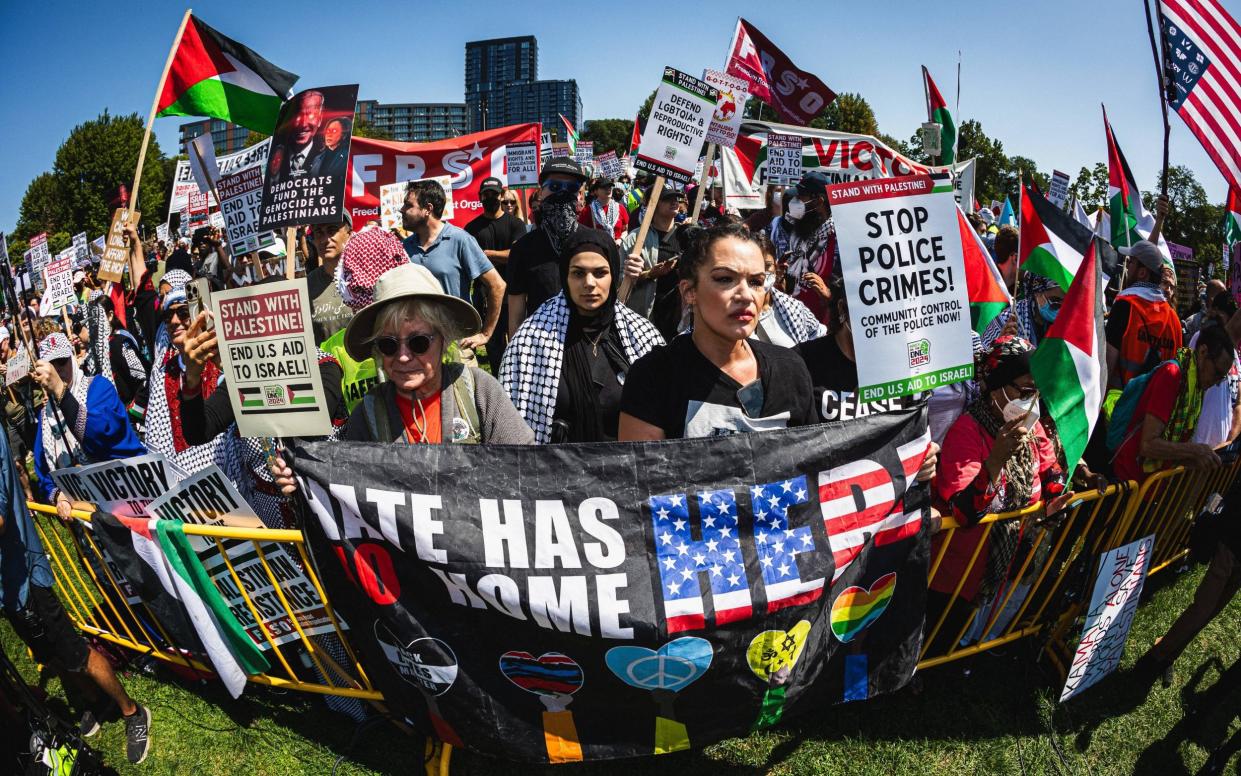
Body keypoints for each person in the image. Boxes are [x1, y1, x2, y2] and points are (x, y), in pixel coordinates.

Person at [271, 264, 532, 491]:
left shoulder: (478, 391)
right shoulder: (368, 415)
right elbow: (345, 485)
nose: (403, 357)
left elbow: (529, 470)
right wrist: (301, 476)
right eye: (389, 345)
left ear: (443, 339)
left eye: (419, 342)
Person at [0, 431, 152, 764]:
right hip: (7, 588)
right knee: (50, 655)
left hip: (25, 575)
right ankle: (95, 701)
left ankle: (132, 712)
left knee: (75, 651)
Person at [929, 336, 1070, 651]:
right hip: (957, 572)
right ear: (997, 389)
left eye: (1036, 392)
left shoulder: (1030, 427)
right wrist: (995, 462)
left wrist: (1055, 495)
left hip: (1003, 560)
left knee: (971, 637)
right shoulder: (966, 430)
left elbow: (1052, 471)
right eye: (1024, 391)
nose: (1031, 401)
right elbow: (965, 511)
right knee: (941, 639)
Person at [618, 224, 817, 440]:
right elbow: (643, 471)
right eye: (725, 279)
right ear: (689, 291)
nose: (746, 295)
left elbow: (812, 464)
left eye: (756, 282)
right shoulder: (655, 377)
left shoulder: (791, 368)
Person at [501, 229, 663, 443]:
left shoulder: (641, 337)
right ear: (565, 278)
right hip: (557, 470)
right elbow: (514, 428)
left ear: (613, 275)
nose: (589, 283)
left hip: (627, 469)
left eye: (600, 273)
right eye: (578, 273)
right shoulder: (531, 341)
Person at [29, 333, 146, 517]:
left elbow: (98, 436)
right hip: (84, 517)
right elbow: (42, 467)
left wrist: (61, 392)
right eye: (51, 366)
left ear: (73, 359)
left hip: (129, 503)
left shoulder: (99, 387)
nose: (58, 371)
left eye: (62, 362)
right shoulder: (46, 415)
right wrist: (58, 495)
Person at [1111, 325, 1235, 483]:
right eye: (1217, 373)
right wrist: (1195, 451)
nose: (1217, 382)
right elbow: (1148, 445)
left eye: (1222, 378)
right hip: (1129, 480)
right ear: (1203, 352)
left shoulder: (1196, 386)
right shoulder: (1172, 375)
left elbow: (1174, 448)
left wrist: (1198, 460)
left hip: (1151, 484)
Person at [401, 180, 505, 355]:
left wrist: (485, 334)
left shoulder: (459, 239)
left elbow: (497, 285)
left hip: (457, 347)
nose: (402, 210)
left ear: (428, 209)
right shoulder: (405, 247)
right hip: (418, 349)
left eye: (408, 205)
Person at [508, 157, 606, 336]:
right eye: (554, 187)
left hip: (588, 343)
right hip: (541, 346)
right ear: (541, 193)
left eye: (571, 188)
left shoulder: (598, 243)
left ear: (580, 195)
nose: (562, 193)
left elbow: (610, 304)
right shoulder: (523, 248)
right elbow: (516, 314)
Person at [465, 177, 527, 373]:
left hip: (514, 292)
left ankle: (518, 375)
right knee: (493, 342)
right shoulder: (472, 228)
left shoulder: (516, 224)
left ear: (501, 195)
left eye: (494, 194)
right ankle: (499, 379)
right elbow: (469, 261)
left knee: (517, 338)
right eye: (486, 194)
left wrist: (485, 255)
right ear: (480, 197)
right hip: (485, 295)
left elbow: (516, 255)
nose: (490, 197)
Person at [1107, 240, 1183, 389]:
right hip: (1154, 409)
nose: (1127, 267)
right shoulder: (1174, 320)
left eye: (1131, 262)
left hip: (1118, 405)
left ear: (1142, 273)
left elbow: (1107, 364)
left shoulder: (1125, 306)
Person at [619, 186, 684, 321]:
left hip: (678, 316)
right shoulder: (636, 239)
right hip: (646, 316)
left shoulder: (685, 235)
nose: (674, 202)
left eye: (676, 198)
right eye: (667, 198)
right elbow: (620, 279)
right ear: (651, 204)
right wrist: (649, 274)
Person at [782, 171, 837, 323]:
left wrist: (828, 294)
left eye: (801, 198)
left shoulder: (838, 238)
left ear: (819, 201)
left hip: (821, 327)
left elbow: (850, 289)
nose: (795, 201)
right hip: (793, 319)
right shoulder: (799, 231)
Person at [754, 234, 826, 347]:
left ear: (776, 267)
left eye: (767, 266)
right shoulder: (736, 314)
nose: (761, 273)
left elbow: (819, 336)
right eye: (755, 266)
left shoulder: (794, 307)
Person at [980, 272, 1065, 350]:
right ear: (1037, 295)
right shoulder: (1007, 320)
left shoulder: (1065, 321)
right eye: (1056, 300)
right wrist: (1000, 345)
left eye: (1065, 301)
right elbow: (982, 361)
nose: (1062, 306)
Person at [308, 219, 354, 343]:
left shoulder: (366, 277)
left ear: (349, 234)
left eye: (332, 231)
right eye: (319, 233)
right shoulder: (307, 286)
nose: (325, 240)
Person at [274, 89, 324, 182]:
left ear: (320, 120)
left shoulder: (329, 159)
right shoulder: (275, 158)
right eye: (297, 115)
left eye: (310, 114)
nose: (303, 124)